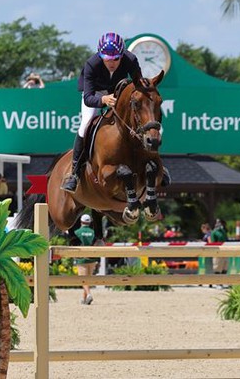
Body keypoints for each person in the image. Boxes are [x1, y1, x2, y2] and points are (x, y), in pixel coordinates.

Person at [62, 32, 144, 192]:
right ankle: (75, 174)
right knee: (85, 125)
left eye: (116, 59)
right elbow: (87, 98)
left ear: (122, 55)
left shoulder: (131, 60)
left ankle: (149, 160)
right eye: (107, 59)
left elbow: (138, 85)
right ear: (101, 55)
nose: (112, 62)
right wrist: (103, 100)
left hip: (119, 91)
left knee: (138, 120)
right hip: (96, 94)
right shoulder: (92, 64)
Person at [74, 214, 97, 305]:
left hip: (81, 259)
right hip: (92, 258)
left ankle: (89, 295)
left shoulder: (77, 232)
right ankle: (84, 299)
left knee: (83, 279)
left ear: (81, 221)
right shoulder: (93, 232)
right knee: (88, 279)